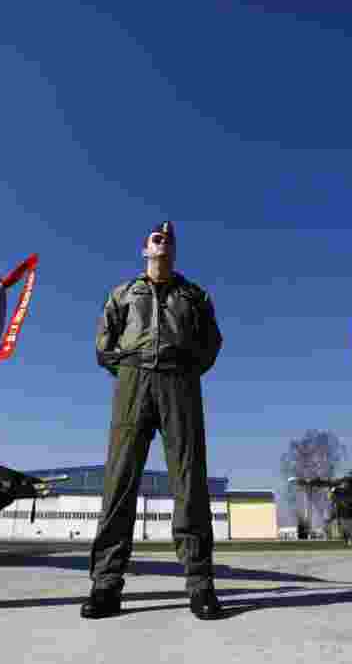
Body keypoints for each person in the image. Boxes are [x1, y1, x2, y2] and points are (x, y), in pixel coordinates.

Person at [83, 221, 223, 620]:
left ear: (175, 250)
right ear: (145, 249)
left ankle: (200, 585)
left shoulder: (194, 295)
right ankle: (106, 585)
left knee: (189, 479)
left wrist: (184, 366)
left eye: (168, 239)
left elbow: (211, 342)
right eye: (155, 238)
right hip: (134, 379)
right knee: (120, 480)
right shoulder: (123, 293)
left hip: (180, 382)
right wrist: (130, 367)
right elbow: (104, 342)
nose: (162, 243)